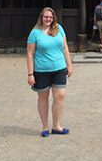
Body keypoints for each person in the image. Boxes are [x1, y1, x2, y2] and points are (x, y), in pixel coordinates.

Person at [26, 7, 73, 137]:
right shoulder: (35, 33)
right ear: (41, 17)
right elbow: (30, 54)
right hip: (41, 70)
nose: (48, 19)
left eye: (50, 17)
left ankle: (57, 126)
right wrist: (30, 74)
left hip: (59, 68)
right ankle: (45, 127)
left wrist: (69, 65)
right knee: (43, 97)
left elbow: (65, 47)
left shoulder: (59, 29)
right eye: (46, 17)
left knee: (60, 95)